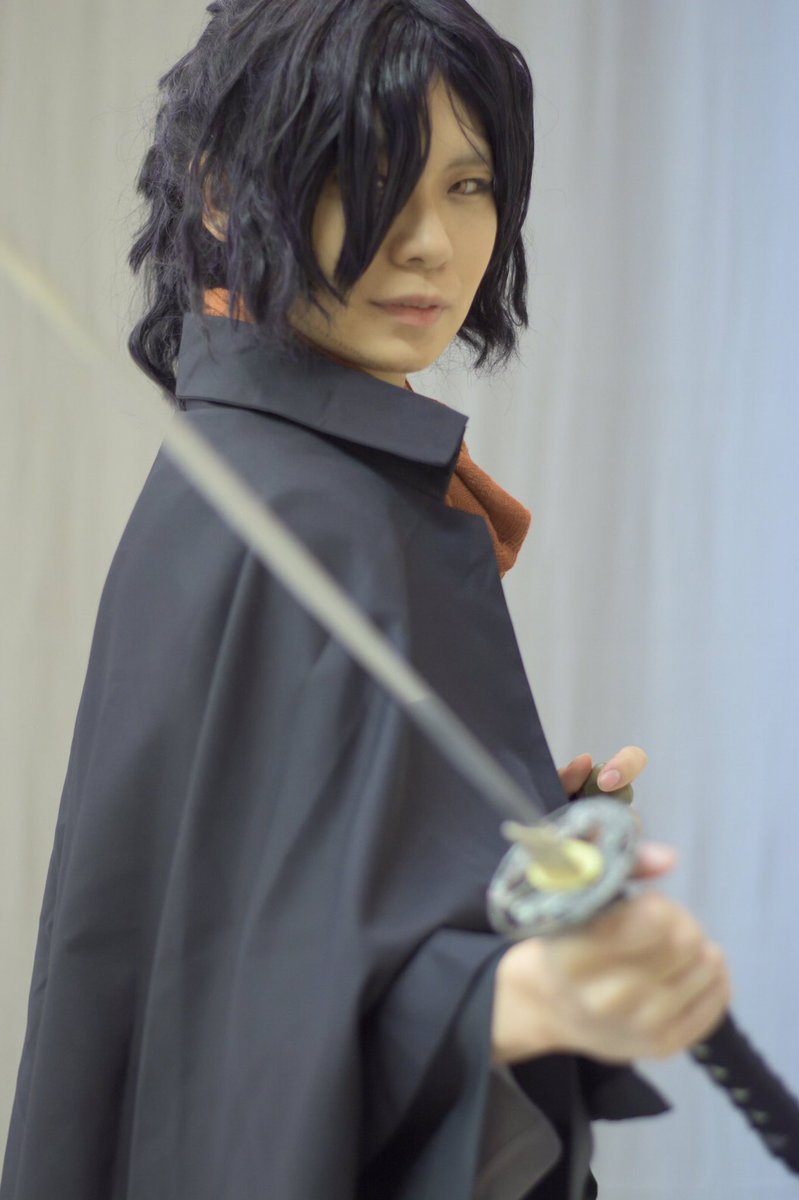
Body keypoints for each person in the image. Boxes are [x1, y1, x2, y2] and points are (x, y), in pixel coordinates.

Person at [1, 1, 731, 1198]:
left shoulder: (280, 475)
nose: (431, 243)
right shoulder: (300, 514)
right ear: (222, 191)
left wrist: (495, 841)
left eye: (468, 184)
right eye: (367, 173)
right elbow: (241, 1030)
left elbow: (289, 901)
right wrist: (524, 992)